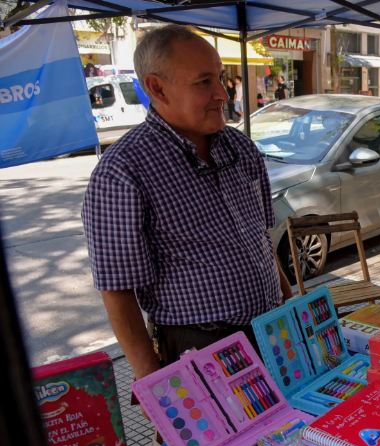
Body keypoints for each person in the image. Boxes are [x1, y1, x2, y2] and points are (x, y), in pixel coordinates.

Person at [81, 25, 293, 389]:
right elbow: (118, 291)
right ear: (157, 88)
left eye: (221, 78)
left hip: (274, 331)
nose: (223, 93)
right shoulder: (123, 173)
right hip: (201, 349)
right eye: (204, 82)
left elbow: (262, 238)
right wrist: (152, 382)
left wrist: (292, 311)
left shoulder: (239, 148)